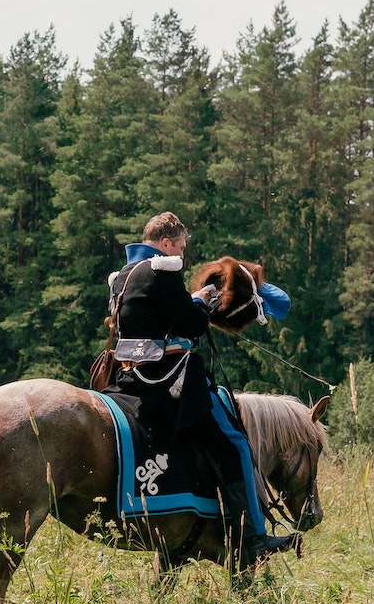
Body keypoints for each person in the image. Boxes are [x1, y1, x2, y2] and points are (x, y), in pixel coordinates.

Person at [106, 211, 295, 561]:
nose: (182, 256)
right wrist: (198, 301)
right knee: (235, 444)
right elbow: (191, 325)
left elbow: (148, 321)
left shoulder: (121, 276)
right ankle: (254, 536)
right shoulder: (162, 269)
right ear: (166, 244)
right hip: (167, 378)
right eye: (179, 247)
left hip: (129, 379)